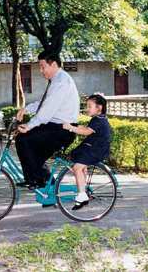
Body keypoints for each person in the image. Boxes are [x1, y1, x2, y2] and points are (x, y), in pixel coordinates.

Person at [15, 51, 80, 189]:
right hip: (56, 127)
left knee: (24, 140)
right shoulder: (57, 80)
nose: (41, 70)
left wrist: (30, 125)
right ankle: (45, 182)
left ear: (54, 64)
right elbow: (44, 103)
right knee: (27, 145)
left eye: (43, 66)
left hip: (63, 129)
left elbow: (46, 111)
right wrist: (26, 109)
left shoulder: (61, 82)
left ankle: (38, 180)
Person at [62, 94, 111, 210]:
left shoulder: (98, 120)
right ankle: (82, 190)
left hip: (96, 150)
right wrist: (75, 126)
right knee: (81, 167)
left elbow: (86, 132)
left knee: (77, 168)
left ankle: (82, 195)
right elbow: (86, 128)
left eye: (89, 106)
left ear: (99, 108)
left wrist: (70, 127)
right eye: (86, 106)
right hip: (93, 148)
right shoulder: (99, 119)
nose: (87, 108)